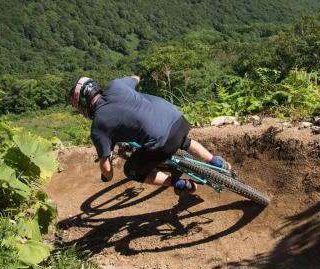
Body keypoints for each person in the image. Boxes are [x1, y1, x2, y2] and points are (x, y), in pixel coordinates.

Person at [69, 76, 232, 195]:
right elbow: (136, 78)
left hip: (162, 141)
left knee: (132, 171)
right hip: (177, 118)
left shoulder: (98, 126)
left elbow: (107, 169)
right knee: (185, 141)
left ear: (84, 105)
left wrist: (107, 176)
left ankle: (180, 184)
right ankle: (216, 162)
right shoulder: (115, 86)